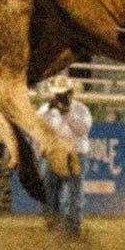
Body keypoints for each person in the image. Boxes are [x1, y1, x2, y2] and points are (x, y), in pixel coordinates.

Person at [37, 84, 92, 237]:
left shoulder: (81, 109)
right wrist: (50, 108)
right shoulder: (45, 109)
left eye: (63, 93)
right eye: (57, 94)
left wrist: (66, 113)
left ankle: (72, 230)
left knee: (73, 194)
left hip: (76, 154)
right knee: (49, 192)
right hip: (53, 154)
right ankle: (52, 226)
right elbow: (36, 125)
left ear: (70, 94)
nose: (59, 97)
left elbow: (83, 130)